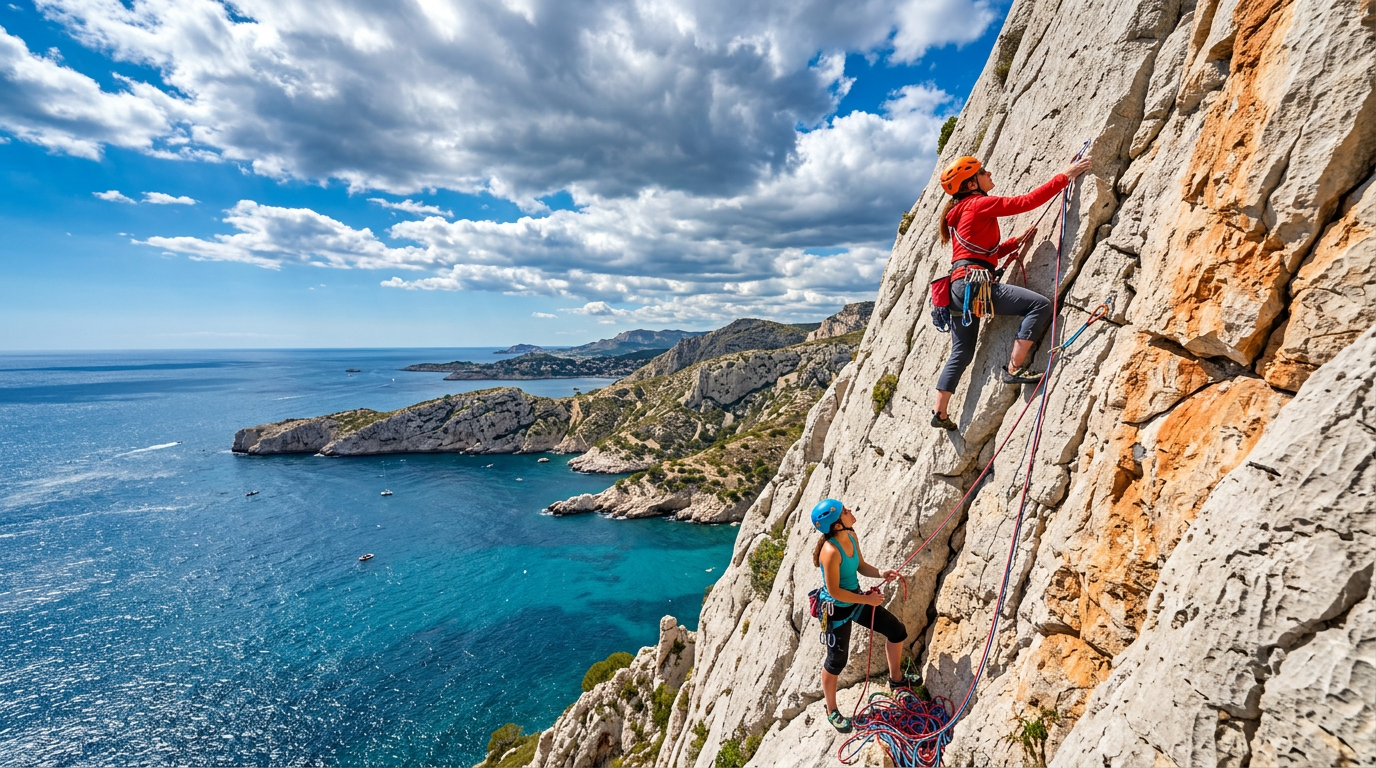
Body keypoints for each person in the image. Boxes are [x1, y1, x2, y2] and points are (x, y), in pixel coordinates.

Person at [930, 154, 1094, 431]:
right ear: (972, 184)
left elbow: (976, 252)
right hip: (974, 283)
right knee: (1039, 306)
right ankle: (1014, 370)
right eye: (983, 171)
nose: (989, 172)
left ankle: (939, 412)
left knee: (962, 350)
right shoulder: (979, 203)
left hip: (957, 287)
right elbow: (1025, 202)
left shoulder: (960, 212)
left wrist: (1012, 244)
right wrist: (1066, 175)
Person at [811, 498, 915, 733]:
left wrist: (880, 573)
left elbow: (861, 566)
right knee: (836, 661)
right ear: (837, 525)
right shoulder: (829, 552)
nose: (850, 511)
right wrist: (867, 600)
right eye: (845, 511)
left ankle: (896, 680)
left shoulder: (850, 535)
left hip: (855, 601)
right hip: (836, 609)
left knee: (897, 631)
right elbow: (835, 591)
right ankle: (831, 710)